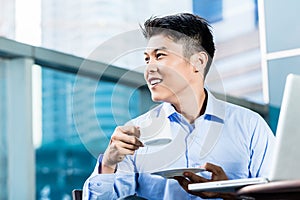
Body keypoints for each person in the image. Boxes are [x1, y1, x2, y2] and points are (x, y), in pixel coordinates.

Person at [83, 13, 275, 199]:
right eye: (147, 59)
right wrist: (108, 163)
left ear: (197, 62)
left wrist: (229, 194)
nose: (149, 68)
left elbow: (281, 195)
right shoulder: (135, 134)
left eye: (159, 56)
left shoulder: (250, 126)